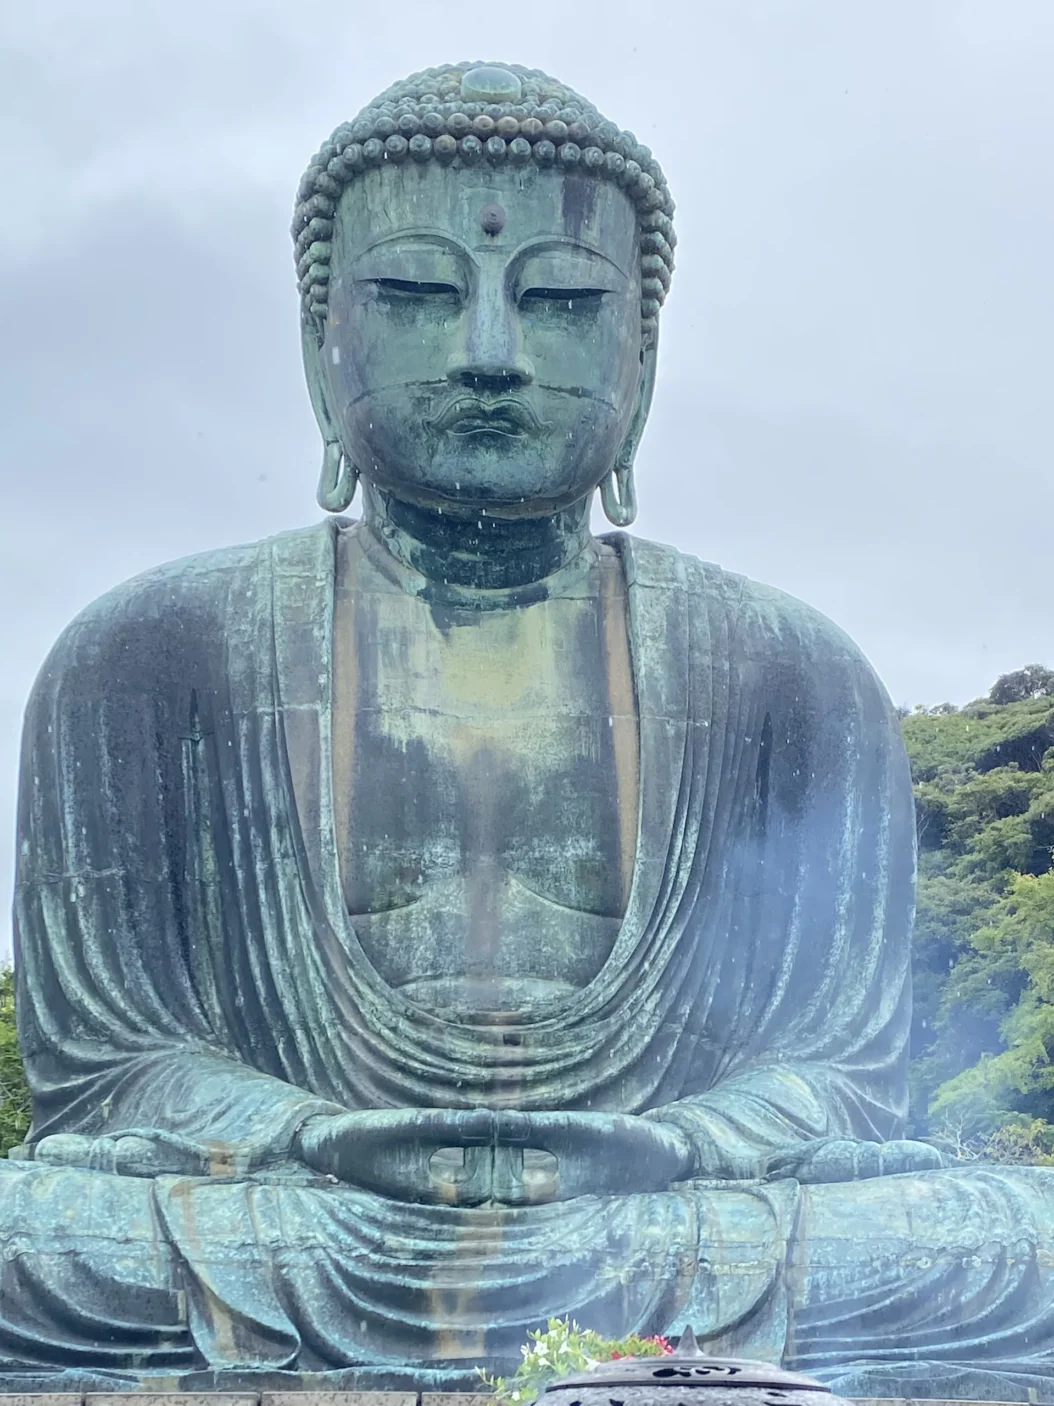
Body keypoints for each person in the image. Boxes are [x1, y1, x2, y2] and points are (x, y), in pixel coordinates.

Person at [6, 61, 1054, 1401]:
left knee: (1006, 1239)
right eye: (415, 294)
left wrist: (665, 1149)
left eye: (560, 301)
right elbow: (112, 1076)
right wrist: (321, 1134)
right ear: (320, 348)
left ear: (645, 356)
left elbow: (839, 1078)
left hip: (671, 1218)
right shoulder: (148, 654)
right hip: (290, 1218)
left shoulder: (790, 670)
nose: (488, 351)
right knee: (35, 1237)